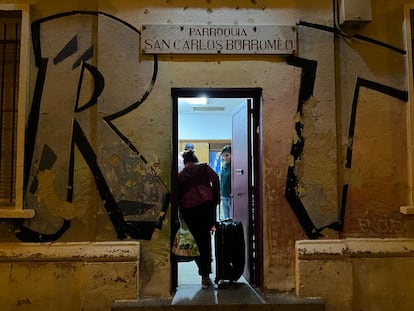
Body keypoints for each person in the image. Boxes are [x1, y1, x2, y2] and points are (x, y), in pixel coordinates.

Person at [177, 149, 220, 289]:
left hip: (188, 210)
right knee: (205, 239)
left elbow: (177, 192)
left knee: (194, 241)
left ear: (184, 162)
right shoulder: (204, 167)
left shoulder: (181, 174)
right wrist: (215, 197)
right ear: (195, 159)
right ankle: (205, 276)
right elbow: (215, 179)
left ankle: (201, 269)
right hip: (205, 207)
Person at [220, 145, 232, 220]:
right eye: (224, 156)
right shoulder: (223, 167)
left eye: (227, 155)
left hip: (231, 196)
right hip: (224, 196)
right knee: (226, 219)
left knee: (232, 218)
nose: (225, 158)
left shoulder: (233, 166)